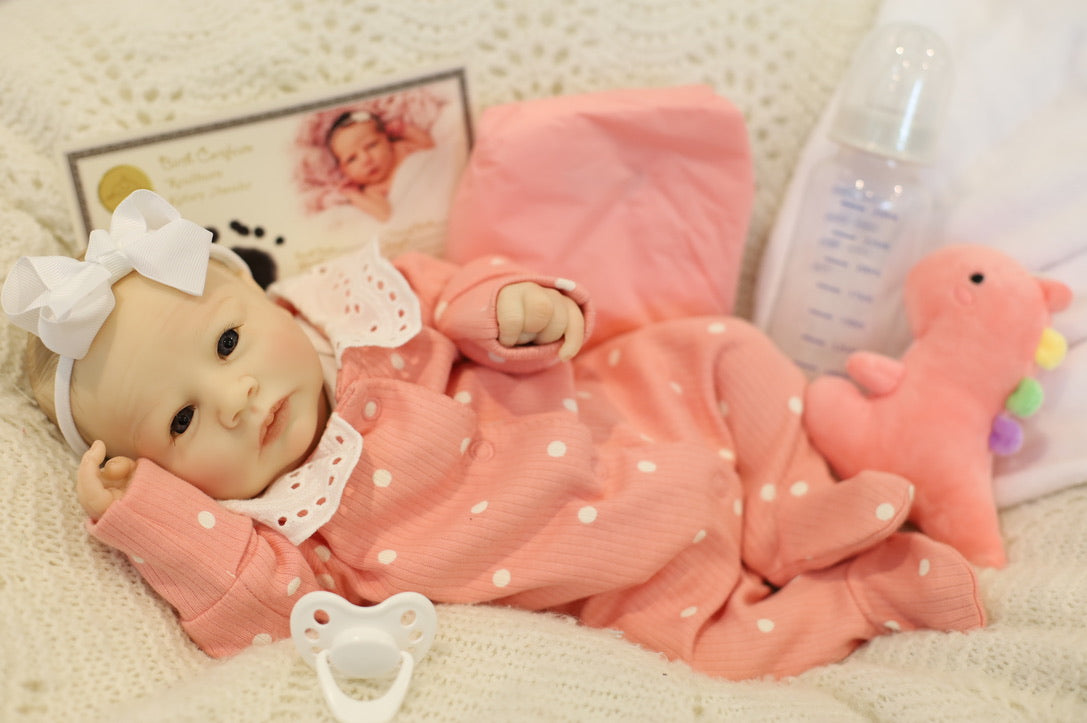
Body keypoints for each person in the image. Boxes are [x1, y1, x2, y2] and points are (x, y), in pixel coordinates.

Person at [2, 191, 984, 680]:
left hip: (618, 411)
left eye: (226, 342)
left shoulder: (354, 309)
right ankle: (859, 594)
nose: (235, 397)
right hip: (609, 568)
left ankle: (793, 511)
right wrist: (152, 520)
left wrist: (506, 308)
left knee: (722, 351)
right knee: (705, 652)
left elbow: (449, 293)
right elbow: (266, 620)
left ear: (261, 296)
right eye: (181, 420)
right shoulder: (280, 530)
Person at [325, 110, 435, 222]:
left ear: (387, 139)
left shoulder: (401, 149)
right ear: (344, 170)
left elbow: (430, 148)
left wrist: (405, 130)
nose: (366, 159)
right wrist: (353, 194)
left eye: (371, 145)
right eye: (352, 159)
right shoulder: (372, 189)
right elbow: (385, 214)